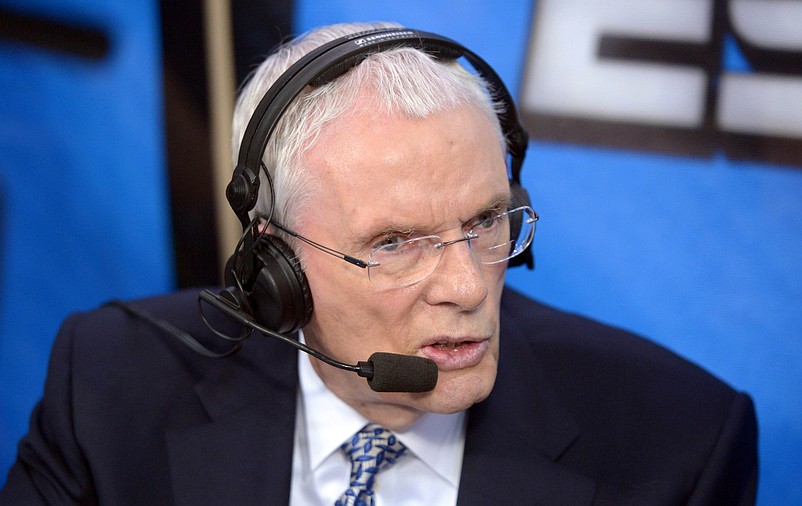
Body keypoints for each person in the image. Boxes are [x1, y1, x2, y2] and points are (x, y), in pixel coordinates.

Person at [1, 21, 757, 505]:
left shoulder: (679, 443)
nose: (466, 288)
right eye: (394, 244)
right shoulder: (109, 384)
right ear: (274, 259)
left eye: (487, 222)